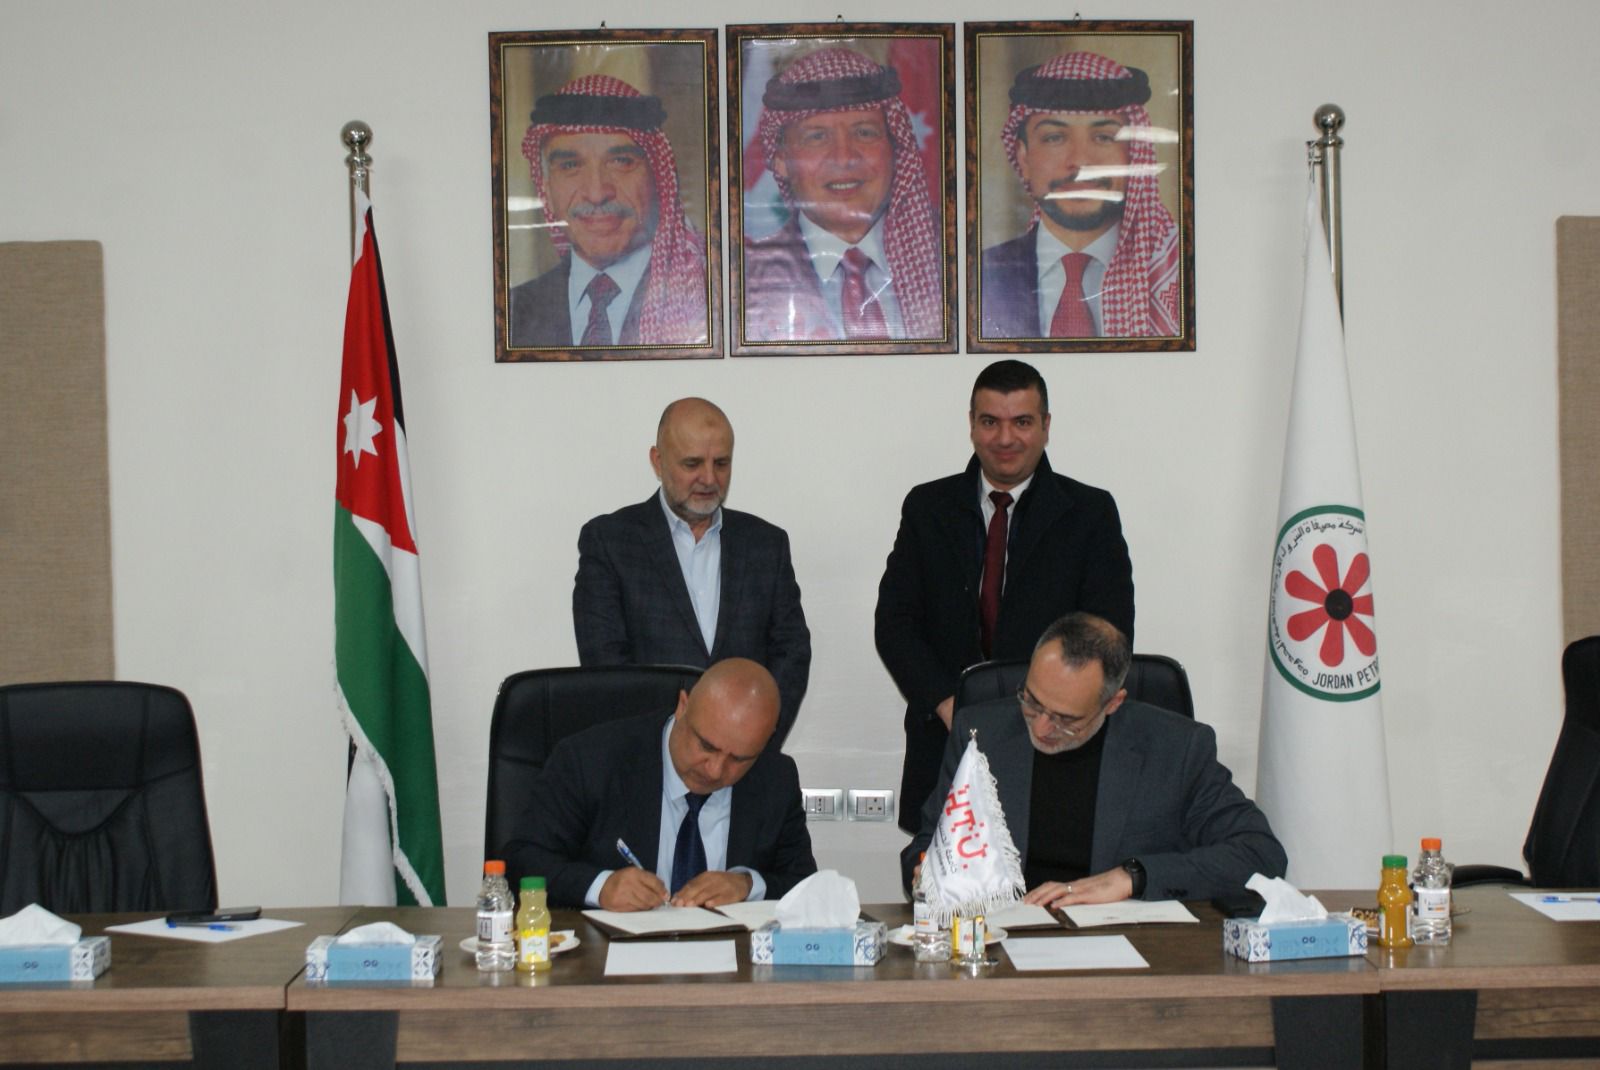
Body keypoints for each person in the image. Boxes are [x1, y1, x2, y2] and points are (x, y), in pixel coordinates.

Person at [875, 359, 1134, 832]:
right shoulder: (927, 508)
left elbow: (1108, 636)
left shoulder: (1089, 514)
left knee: (1046, 867)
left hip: (1054, 742)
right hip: (946, 738)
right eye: (990, 421)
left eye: (1022, 422)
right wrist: (950, 706)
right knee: (939, 874)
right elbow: (895, 624)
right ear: (972, 425)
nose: (1005, 438)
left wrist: (1046, 713)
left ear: (1046, 426)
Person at [902, 614, 1286, 903]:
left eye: (1066, 719)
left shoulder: (1177, 749)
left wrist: (1132, 877)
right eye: (1032, 702)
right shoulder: (980, 733)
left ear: (1113, 703)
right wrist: (927, 871)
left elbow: (1261, 854)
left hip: (1124, 947)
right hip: (1001, 941)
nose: (1041, 727)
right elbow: (925, 844)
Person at [574, 397, 810, 747]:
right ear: (658, 461)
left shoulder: (766, 544)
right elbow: (606, 669)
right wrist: (666, 754)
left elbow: (792, 653)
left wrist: (753, 744)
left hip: (747, 758)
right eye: (692, 463)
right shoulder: (610, 542)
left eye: (722, 463)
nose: (709, 478)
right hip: (647, 758)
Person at [503, 658, 816, 910]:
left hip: (731, 962)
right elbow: (523, 860)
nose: (715, 770)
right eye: (707, 746)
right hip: (608, 960)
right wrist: (601, 887)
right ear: (683, 706)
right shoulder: (590, 760)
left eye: (739, 759)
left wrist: (747, 885)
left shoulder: (776, 778)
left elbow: (807, 886)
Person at [743, 47, 943, 342]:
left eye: (864, 133)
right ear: (781, 160)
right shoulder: (744, 279)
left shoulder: (952, 260)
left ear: (895, 149)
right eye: (817, 137)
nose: (844, 157)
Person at [980, 51, 1181, 340]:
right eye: (1054, 138)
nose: (1080, 162)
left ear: (1134, 155)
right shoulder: (981, 275)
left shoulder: (1174, 271)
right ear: (1023, 158)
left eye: (1103, 138)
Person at [509, 74, 708, 349]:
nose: (597, 193)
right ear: (547, 189)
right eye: (570, 166)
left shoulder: (706, 295)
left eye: (621, 161)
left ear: (658, 180)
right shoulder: (513, 312)